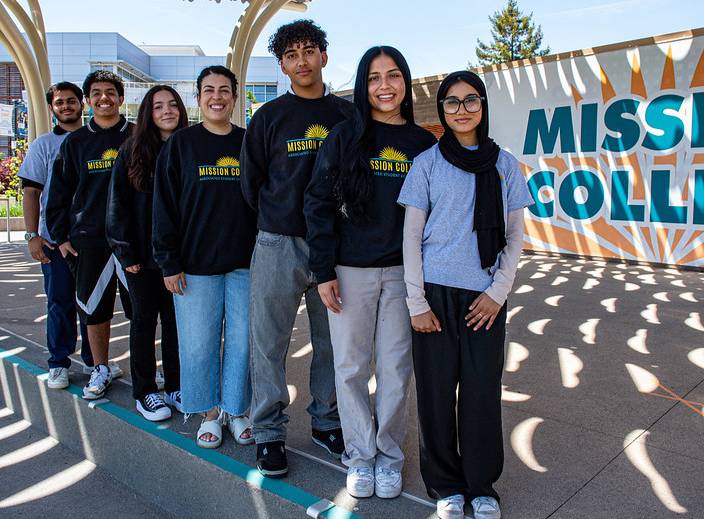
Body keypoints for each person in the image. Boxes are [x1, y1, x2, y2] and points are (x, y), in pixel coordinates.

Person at [397, 71, 534, 519]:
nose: (461, 109)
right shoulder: (428, 163)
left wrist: (498, 291)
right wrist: (416, 302)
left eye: (470, 100)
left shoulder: (505, 164)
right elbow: (412, 237)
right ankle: (445, 485)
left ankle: (481, 486)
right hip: (435, 296)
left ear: (483, 105)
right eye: (452, 102)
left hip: (484, 299)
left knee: (480, 392)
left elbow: (515, 237)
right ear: (441, 110)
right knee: (436, 394)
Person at [305, 46, 435, 499]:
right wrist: (323, 270)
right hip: (351, 271)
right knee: (352, 367)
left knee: (397, 370)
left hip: (404, 274)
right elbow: (317, 204)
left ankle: (389, 456)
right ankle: (360, 456)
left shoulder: (423, 144)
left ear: (405, 82)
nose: (385, 85)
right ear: (364, 85)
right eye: (375, 77)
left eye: (394, 75)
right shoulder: (345, 137)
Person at [241, 19, 354, 478]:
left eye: (309, 50)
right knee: (268, 342)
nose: (301, 61)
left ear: (323, 57)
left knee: (332, 343)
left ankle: (327, 423)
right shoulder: (268, 118)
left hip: (335, 248)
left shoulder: (348, 117)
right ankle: (268, 431)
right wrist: (279, 219)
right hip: (278, 243)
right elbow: (252, 184)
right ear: (282, 65)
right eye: (291, 55)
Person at [153, 66, 257, 448]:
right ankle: (211, 413)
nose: (217, 97)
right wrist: (169, 261)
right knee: (198, 344)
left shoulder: (249, 142)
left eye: (225, 90)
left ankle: (236, 409)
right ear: (198, 97)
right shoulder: (180, 145)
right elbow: (163, 206)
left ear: (234, 96)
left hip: (245, 263)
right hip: (194, 266)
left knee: (243, 342)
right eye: (209, 90)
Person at [46, 70, 132, 400]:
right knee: (94, 309)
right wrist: (62, 237)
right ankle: (100, 367)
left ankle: (144, 372)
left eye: (110, 92)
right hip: (88, 242)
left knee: (140, 311)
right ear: (88, 100)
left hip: (132, 242)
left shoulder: (138, 137)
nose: (104, 98)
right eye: (96, 93)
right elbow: (58, 195)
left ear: (121, 98)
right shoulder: (75, 143)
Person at [106, 85, 187, 421]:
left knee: (174, 323)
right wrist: (126, 254)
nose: (167, 111)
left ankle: (175, 386)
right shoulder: (133, 151)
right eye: (158, 107)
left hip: (180, 259)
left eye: (172, 105)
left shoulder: (189, 147)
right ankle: (144, 392)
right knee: (143, 322)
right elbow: (117, 205)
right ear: (148, 114)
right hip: (141, 257)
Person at [19, 82, 94, 389]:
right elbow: (31, 191)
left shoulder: (95, 141)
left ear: (82, 104)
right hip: (53, 241)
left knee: (92, 305)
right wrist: (32, 235)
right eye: (60, 102)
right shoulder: (44, 145)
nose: (66, 106)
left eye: (71, 101)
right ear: (51, 108)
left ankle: (95, 363)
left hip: (92, 241)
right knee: (59, 302)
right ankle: (59, 362)